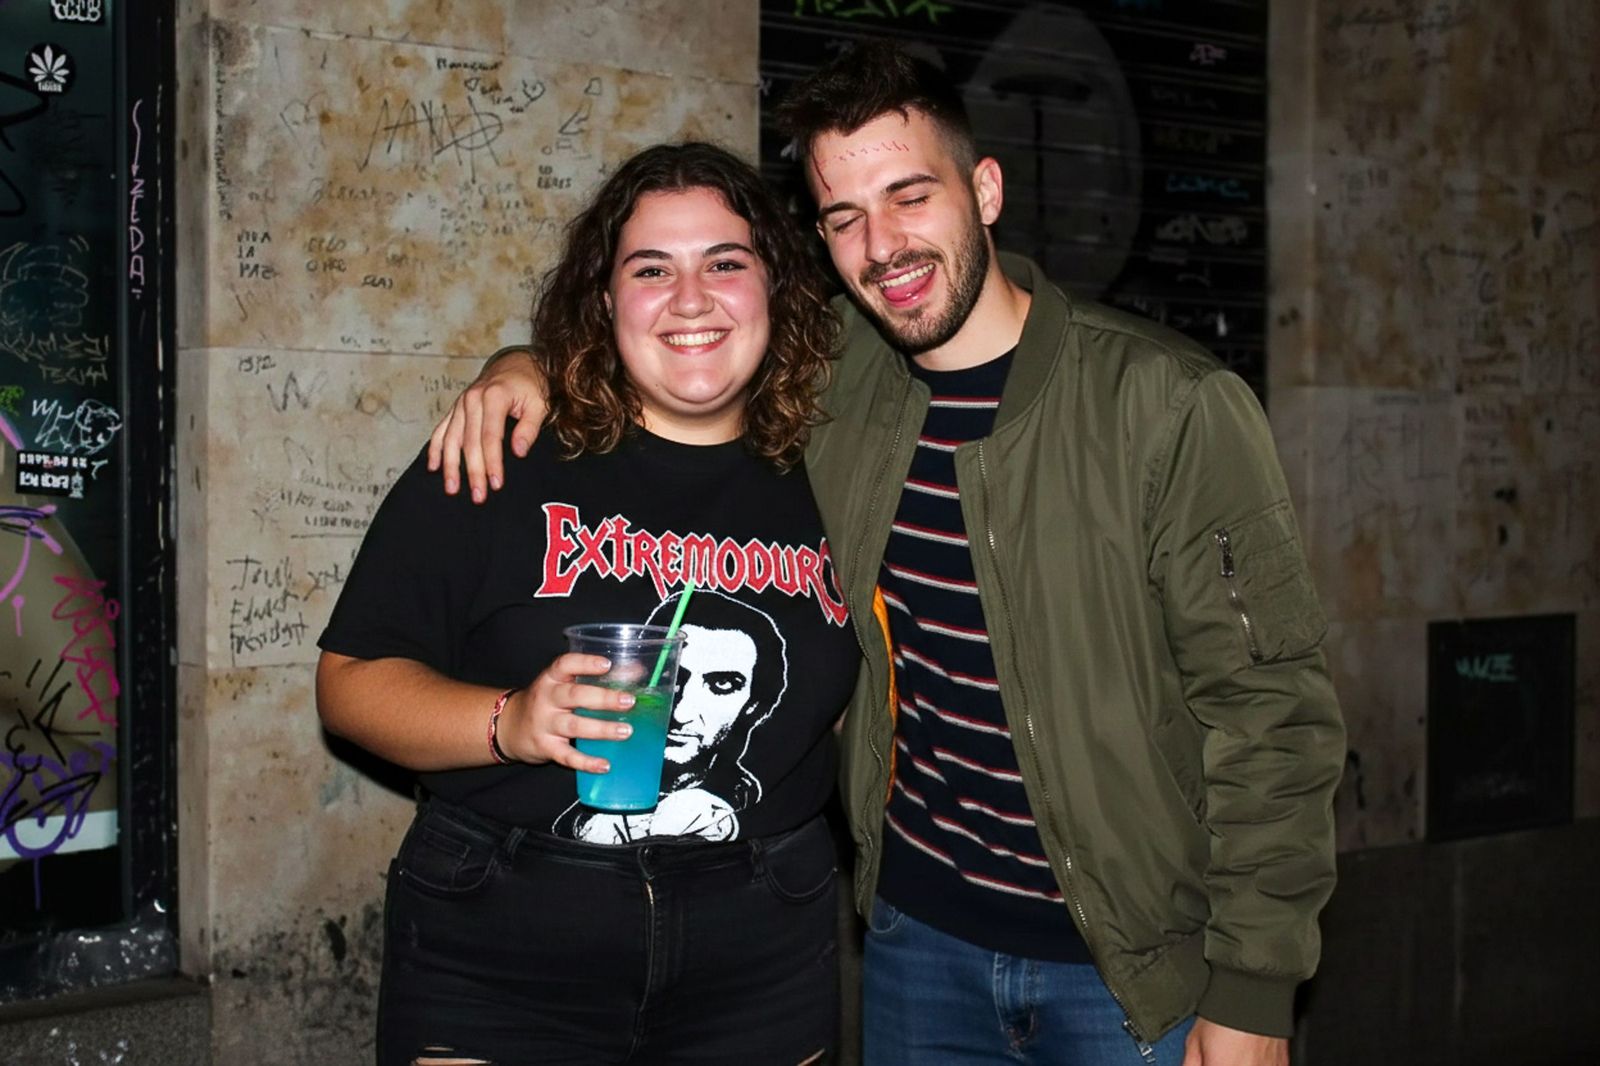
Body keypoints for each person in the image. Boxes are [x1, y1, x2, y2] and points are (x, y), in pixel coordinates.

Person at [427, 43, 1345, 1066]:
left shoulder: (1166, 407)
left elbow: (1272, 715)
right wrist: (521, 370)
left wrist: (1254, 993)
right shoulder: (835, 385)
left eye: (910, 195)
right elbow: (675, 338)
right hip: (916, 948)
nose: (884, 245)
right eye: (844, 217)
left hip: (1130, 968)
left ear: (983, 189)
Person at [316, 142, 858, 1066]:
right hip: (506, 941)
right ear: (606, 301)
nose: (691, 298)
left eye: (725, 262)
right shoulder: (504, 453)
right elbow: (351, 683)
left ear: (776, 286)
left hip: (763, 939)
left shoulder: (844, 467)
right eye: (652, 269)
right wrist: (512, 722)